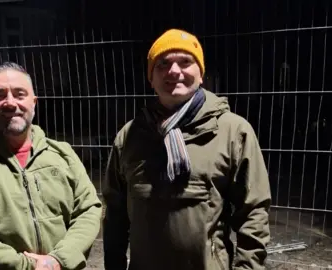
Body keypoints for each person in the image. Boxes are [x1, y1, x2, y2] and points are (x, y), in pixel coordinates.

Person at [102, 29, 271, 270]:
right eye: (162, 64)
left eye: (185, 62)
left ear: (201, 73)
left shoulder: (232, 132)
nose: (173, 71)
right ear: (151, 78)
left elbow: (253, 212)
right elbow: (115, 217)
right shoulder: (129, 137)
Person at [0, 62, 102, 270]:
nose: (10, 103)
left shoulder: (62, 155)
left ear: (34, 102)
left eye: (19, 94)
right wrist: (26, 266)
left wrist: (58, 261)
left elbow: (88, 210)